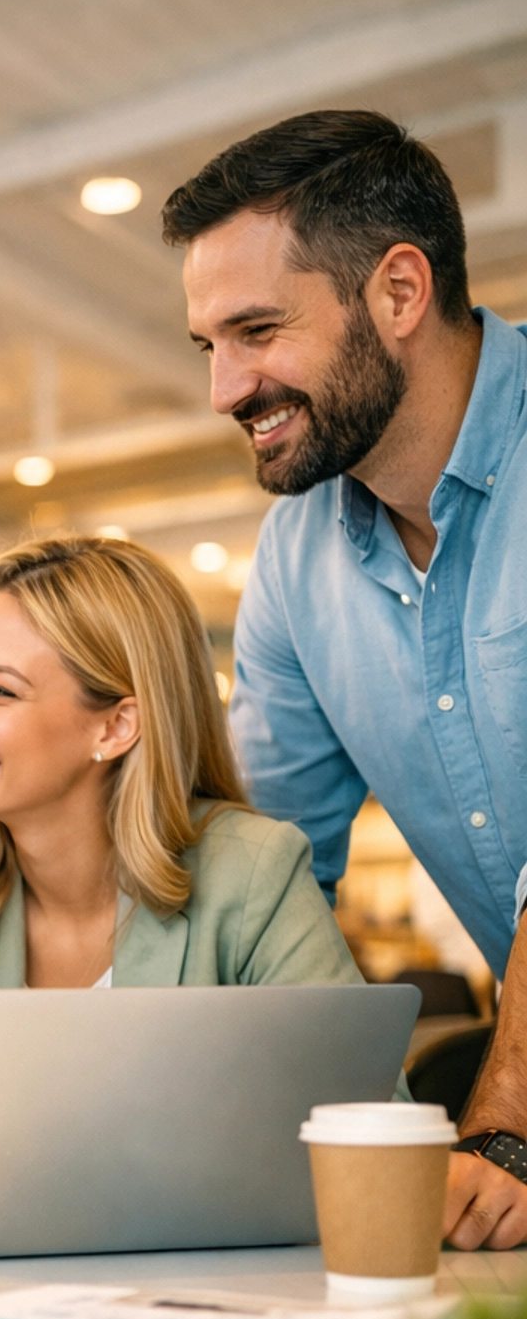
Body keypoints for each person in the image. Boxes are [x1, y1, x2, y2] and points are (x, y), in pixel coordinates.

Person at [164, 109, 527, 1250]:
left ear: (400, 292)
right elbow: (264, 873)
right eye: (208, 346)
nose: (226, 389)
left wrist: (506, 1127)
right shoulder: (297, 559)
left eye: (258, 330)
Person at [0, 535, 362, 1189]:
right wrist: (57, 1176)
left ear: (116, 727)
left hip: (203, 1273)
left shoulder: (254, 871)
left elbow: (366, 1119)